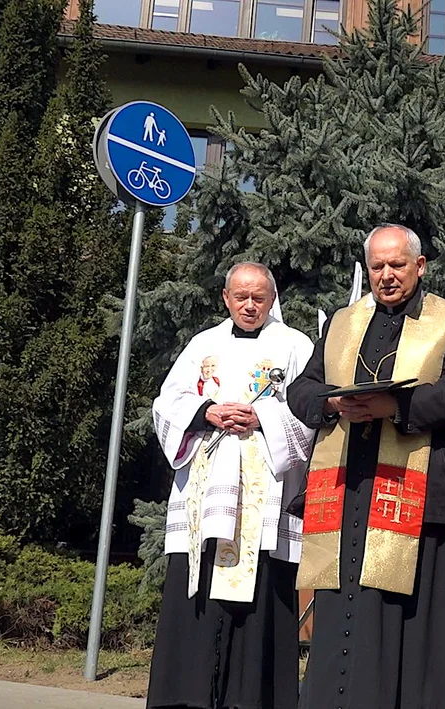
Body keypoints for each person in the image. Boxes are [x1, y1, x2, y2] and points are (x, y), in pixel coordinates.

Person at [287, 224, 445, 709]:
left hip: (413, 493)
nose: (387, 275)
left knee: (410, 617)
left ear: (419, 266)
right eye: (377, 266)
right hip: (348, 487)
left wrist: (393, 408)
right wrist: (333, 403)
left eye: (397, 265)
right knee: (343, 609)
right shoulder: (343, 322)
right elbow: (303, 388)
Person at [146, 262, 315, 709]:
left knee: (260, 609)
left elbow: (313, 413)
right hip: (207, 496)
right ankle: (186, 699)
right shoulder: (204, 344)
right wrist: (206, 412)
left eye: (258, 296)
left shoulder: (295, 345)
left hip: (264, 502)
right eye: (240, 296)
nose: (249, 305)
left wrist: (262, 417)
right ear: (225, 297)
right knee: (198, 603)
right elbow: (166, 405)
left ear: (272, 297)